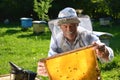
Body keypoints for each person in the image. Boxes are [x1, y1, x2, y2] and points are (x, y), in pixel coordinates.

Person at [37, 7, 114, 77]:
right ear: (60, 26)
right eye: (65, 26)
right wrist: (45, 68)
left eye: (72, 25)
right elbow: (52, 61)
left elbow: (109, 57)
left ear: (77, 24)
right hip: (66, 76)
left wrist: (104, 51)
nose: (69, 29)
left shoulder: (87, 35)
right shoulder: (57, 40)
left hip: (87, 75)